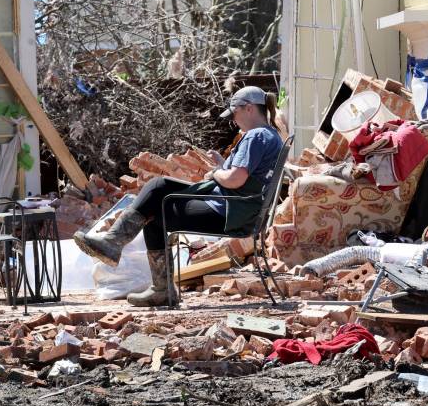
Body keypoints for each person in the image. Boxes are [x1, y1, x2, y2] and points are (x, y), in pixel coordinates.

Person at [73, 86, 284, 307]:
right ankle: (118, 247)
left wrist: (215, 173)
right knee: (159, 185)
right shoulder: (270, 135)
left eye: (234, 114)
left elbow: (235, 180)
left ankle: (148, 276)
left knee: (153, 210)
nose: (233, 120)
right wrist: (222, 166)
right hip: (238, 208)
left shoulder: (255, 136)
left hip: (228, 211)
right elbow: (245, 176)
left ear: (249, 108)